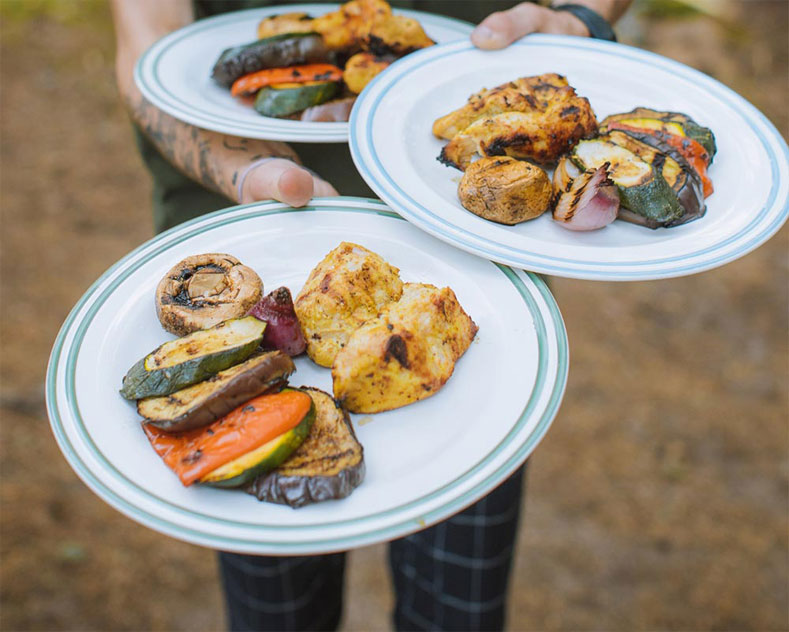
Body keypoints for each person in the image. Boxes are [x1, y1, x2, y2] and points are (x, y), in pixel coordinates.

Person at [111, 1, 631, 629]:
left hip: (481, 253)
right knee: (277, 611)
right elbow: (148, 43)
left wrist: (582, 18)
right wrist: (242, 167)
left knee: (458, 608)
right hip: (248, 240)